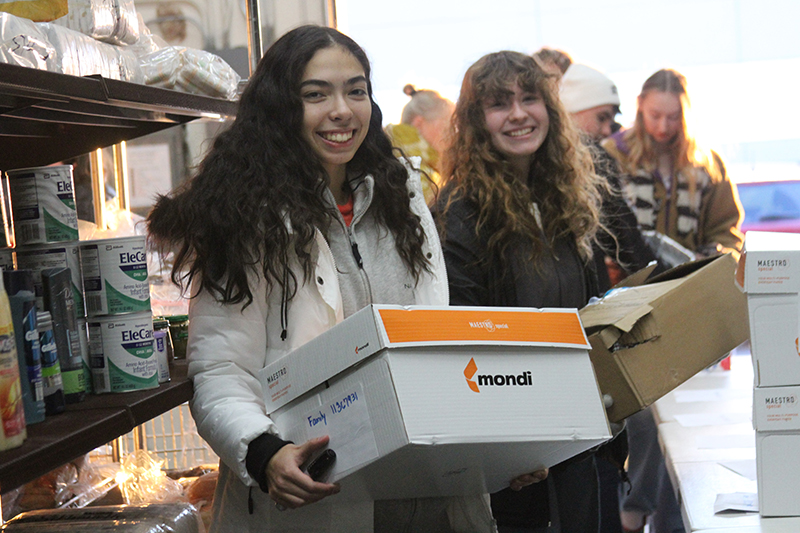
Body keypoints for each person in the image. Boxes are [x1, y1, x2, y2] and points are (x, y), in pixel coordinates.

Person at [146, 24, 499, 533]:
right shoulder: (245, 218)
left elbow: (433, 341)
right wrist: (264, 453)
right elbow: (220, 371)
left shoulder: (404, 199)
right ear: (280, 109)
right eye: (316, 95)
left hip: (424, 493)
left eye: (356, 91)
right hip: (319, 495)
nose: (342, 110)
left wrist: (496, 444)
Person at [436, 50, 607, 533]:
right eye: (498, 104)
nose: (518, 114)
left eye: (529, 99)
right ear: (476, 121)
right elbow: (465, 334)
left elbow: (588, 312)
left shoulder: (562, 198)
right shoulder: (461, 210)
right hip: (513, 455)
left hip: (576, 432)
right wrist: (509, 447)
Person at [600, 68, 744, 533]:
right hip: (628, 301)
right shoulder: (612, 156)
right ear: (640, 106)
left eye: (672, 117)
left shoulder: (707, 164)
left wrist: (713, 256)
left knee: (687, 421)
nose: (663, 127)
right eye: (655, 115)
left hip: (690, 299)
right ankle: (635, 511)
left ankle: (667, 517)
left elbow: (728, 231)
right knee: (643, 415)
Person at [384, 84, 455, 203]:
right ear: (419, 123)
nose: (451, 135)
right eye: (446, 127)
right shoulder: (421, 177)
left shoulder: (384, 155)